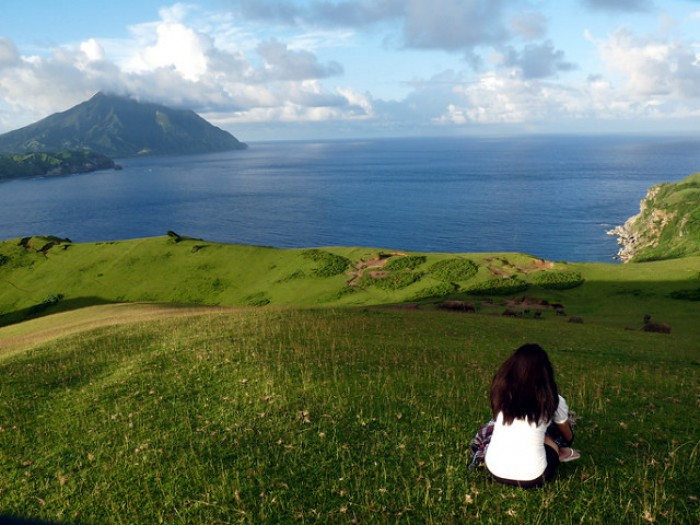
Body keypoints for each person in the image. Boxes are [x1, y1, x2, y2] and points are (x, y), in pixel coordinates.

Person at [484, 343, 580, 488]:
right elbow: (568, 436)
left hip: (494, 471)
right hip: (534, 478)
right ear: (545, 372)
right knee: (550, 439)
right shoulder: (552, 398)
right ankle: (562, 452)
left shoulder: (501, 393)